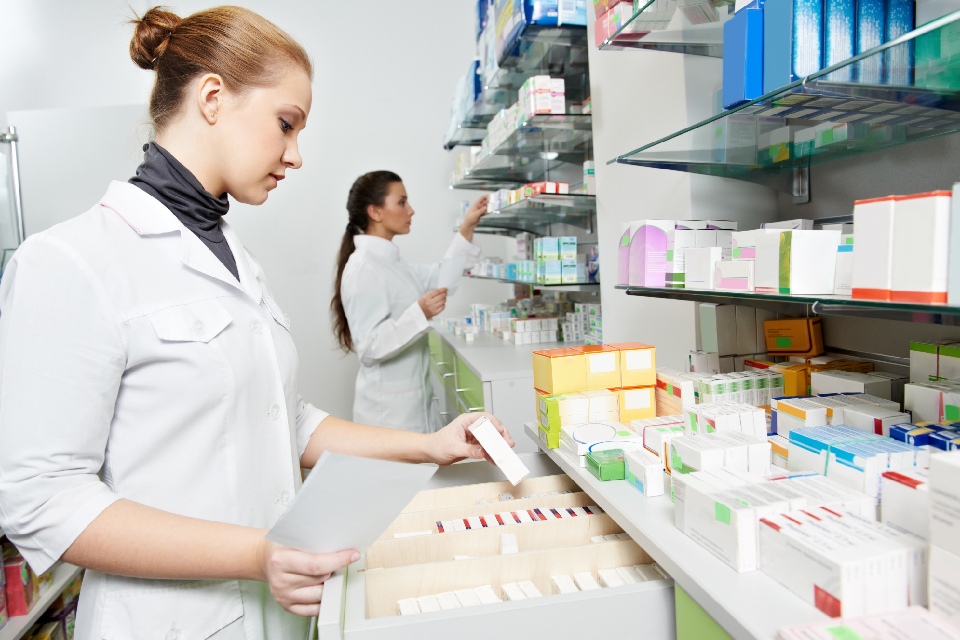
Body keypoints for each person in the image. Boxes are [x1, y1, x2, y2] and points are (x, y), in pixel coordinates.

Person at [0, 7, 514, 640]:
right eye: (286, 125)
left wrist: (428, 446)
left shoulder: (236, 260)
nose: (295, 156)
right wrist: (255, 554)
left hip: (276, 614)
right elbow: (41, 499)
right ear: (212, 97)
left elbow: (283, 418)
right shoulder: (71, 261)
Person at [331, 172, 488, 432]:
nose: (411, 210)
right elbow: (369, 348)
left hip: (410, 404)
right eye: (402, 202)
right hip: (388, 413)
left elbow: (441, 278)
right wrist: (420, 312)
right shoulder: (363, 267)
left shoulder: (392, 263)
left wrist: (467, 227)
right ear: (375, 212)